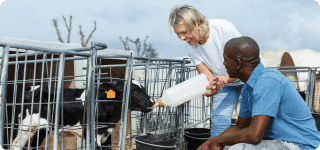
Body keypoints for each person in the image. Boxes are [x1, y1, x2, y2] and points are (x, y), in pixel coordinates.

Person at [197, 36, 320, 150]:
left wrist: (220, 141)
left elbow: (255, 135)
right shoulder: (249, 87)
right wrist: (211, 142)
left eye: (225, 60)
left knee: (239, 149)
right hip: (279, 142)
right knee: (228, 145)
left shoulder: (267, 81)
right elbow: (240, 127)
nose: (224, 64)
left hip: (301, 145)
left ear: (238, 63)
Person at [160, 4, 265, 138]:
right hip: (227, 82)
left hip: (251, 77)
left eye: (184, 32)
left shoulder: (223, 28)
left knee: (253, 119)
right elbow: (208, 78)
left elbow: (243, 65)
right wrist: (210, 87)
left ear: (197, 23)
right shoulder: (190, 47)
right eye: (177, 34)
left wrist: (225, 79)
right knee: (219, 119)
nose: (181, 38)